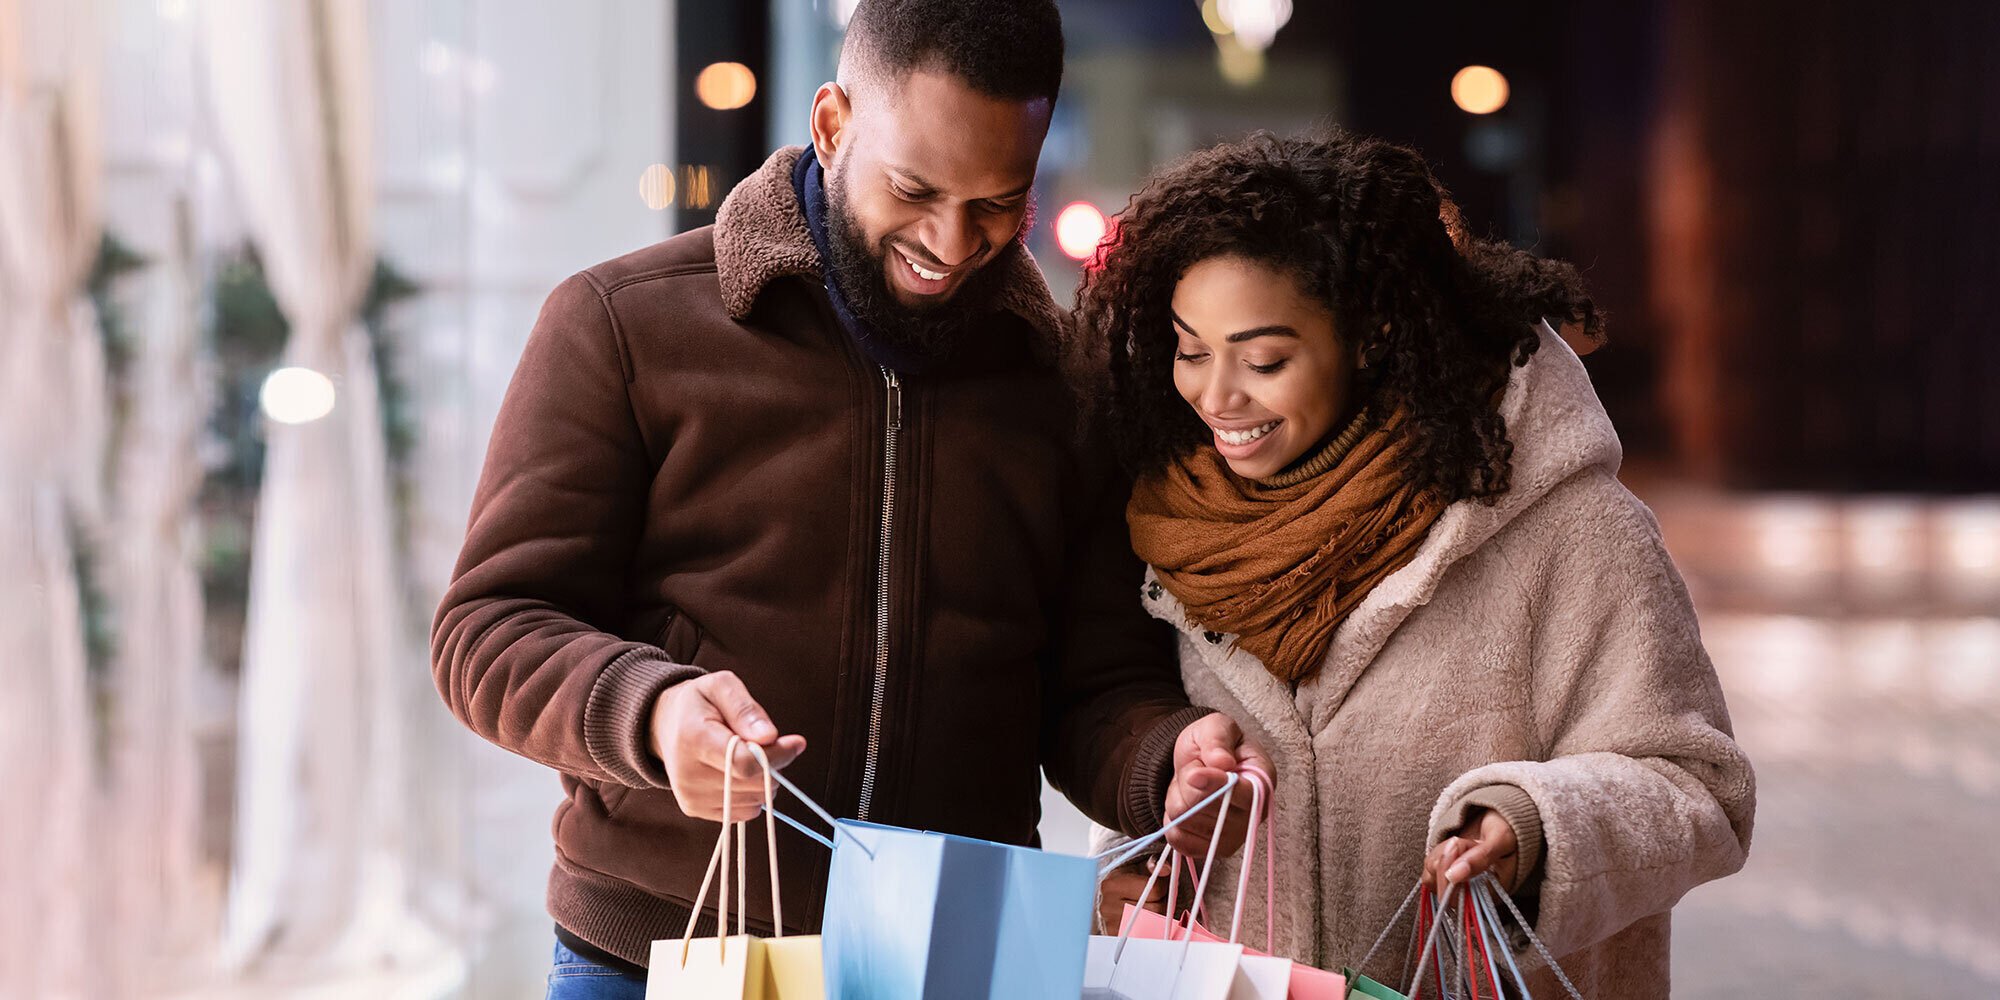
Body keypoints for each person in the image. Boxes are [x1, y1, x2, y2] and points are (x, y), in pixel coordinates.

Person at [429, 2, 1266, 996]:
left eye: (999, 202)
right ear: (830, 122)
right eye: (914, 189)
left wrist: (1165, 759)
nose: (952, 244)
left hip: (957, 957)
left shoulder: (1066, 389)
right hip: (658, 951)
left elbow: (1090, 689)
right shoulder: (620, 326)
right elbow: (486, 628)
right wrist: (651, 715)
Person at [1079, 131, 1755, 998]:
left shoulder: (1572, 530)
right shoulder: (1180, 529)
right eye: (1189, 348)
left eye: (1264, 359)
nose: (1216, 396)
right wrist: (1135, 869)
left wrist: (1534, 826)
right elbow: (1171, 774)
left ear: (1370, 336)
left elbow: (1698, 787)